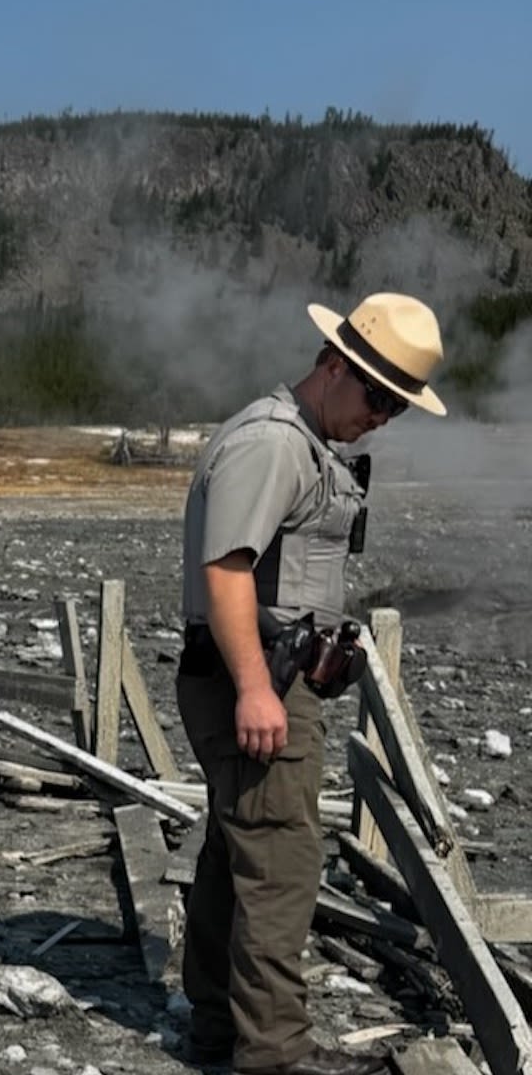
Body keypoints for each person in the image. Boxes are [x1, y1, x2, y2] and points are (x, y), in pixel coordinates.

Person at [176, 292, 446, 1075]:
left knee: (239, 851)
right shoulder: (274, 444)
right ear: (334, 365)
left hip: (263, 669)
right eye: (378, 396)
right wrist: (258, 690)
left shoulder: (304, 442)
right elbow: (227, 571)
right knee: (283, 862)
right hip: (253, 676)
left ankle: (220, 1030)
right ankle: (274, 1057)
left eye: (398, 405)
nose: (384, 416)